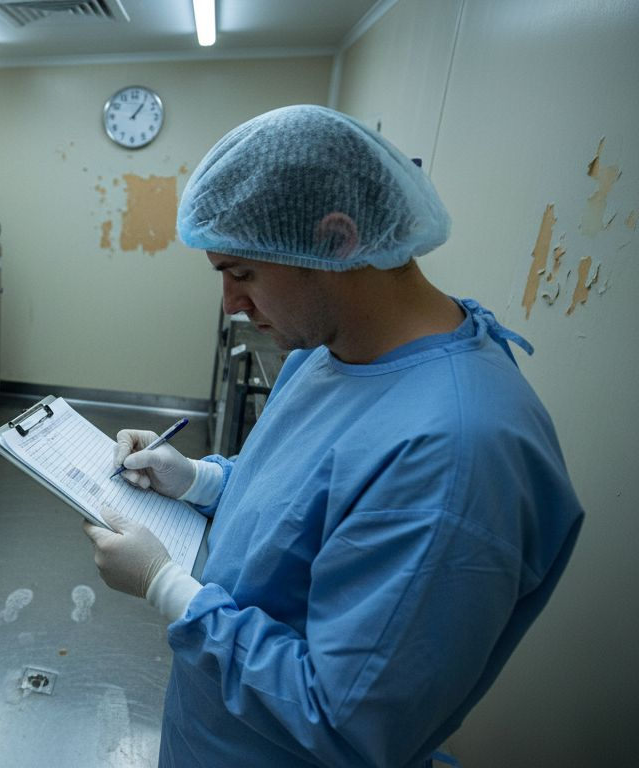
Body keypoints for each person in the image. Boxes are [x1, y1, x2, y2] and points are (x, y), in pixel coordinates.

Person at [83, 105, 583, 767]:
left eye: (243, 273)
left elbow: (347, 721)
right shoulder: (326, 353)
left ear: (337, 240)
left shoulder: (457, 454)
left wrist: (166, 587)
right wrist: (197, 479)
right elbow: (297, 498)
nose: (231, 305)